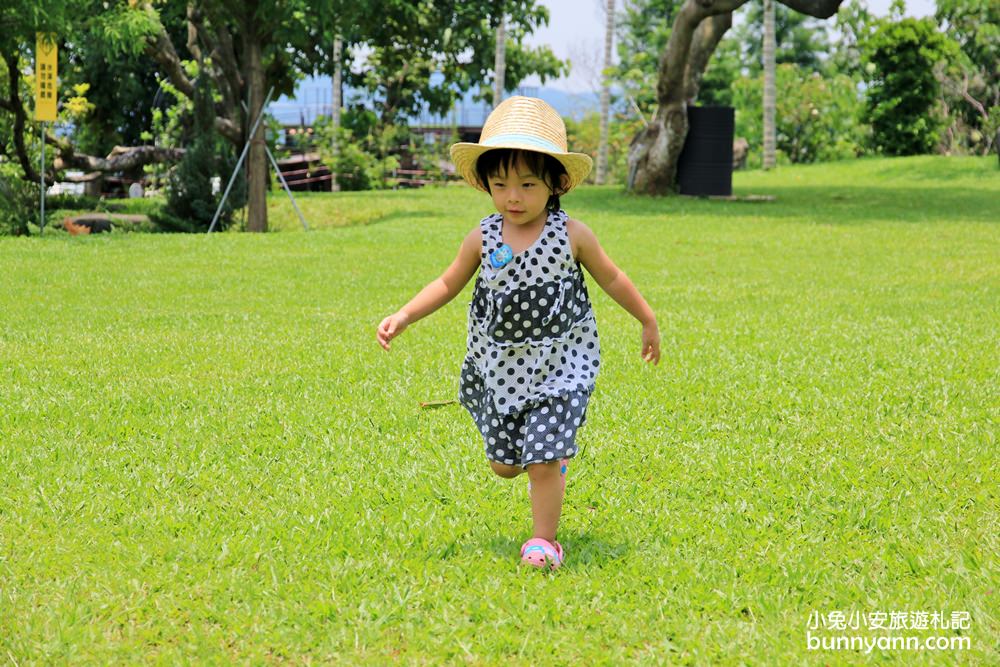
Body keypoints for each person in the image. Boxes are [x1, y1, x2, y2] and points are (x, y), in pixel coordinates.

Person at [376, 96, 660, 570]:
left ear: (556, 183)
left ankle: (544, 542)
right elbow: (448, 282)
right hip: (501, 368)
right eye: (501, 184)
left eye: (528, 184)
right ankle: (547, 461)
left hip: (560, 365)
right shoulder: (483, 237)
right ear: (486, 184)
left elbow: (612, 277)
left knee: (543, 458)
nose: (514, 197)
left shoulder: (572, 234)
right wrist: (405, 315)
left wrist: (646, 319)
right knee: (505, 466)